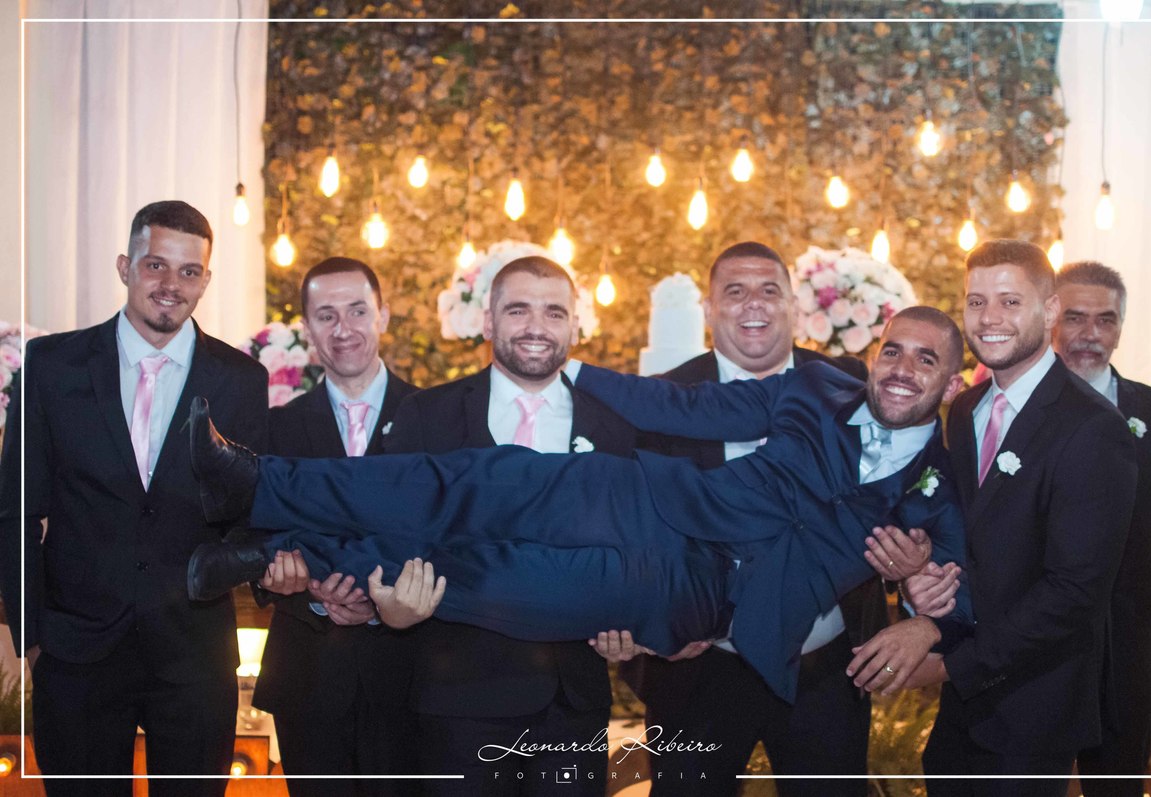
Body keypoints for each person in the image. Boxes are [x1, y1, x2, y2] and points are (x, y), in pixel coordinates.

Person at [187, 305, 973, 709]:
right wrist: (580, 372)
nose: (903, 368)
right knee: (472, 479)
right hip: (647, 499)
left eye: (926, 359)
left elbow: (967, 597)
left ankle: (270, 553)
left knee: (485, 578)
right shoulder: (818, 384)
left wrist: (928, 614)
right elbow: (690, 409)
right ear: (873, 353)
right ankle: (258, 483)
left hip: (694, 595)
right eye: (893, 349)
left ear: (951, 381)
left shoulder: (938, 486)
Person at [0, 201, 268, 795]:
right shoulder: (52, 366)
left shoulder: (242, 379)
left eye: (189, 271)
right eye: (155, 265)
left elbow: (250, 516)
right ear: (125, 267)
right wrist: (32, 638)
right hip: (75, 655)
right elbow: (16, 510)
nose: (171, 284)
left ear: (205, 280)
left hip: (195, 657)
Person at [849, 240, 1137, 793]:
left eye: (1009, 301)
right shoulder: (964, 409)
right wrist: (918, 575)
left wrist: (947, 662)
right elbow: (964, 539)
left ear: (1049, 311)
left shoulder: (1094, 429)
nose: (989, 319)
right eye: (976, 302)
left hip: (1034, 711)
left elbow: (1074, 594)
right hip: (963, 714)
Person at [616, 241, 886, 795]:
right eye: (734, 292)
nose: (753, 304)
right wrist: (654, 622)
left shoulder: (849, 387)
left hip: (826, 664)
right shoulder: (661, 398)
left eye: (769, 290)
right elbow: (633, 527)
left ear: (793, 305)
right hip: (698, 666)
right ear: (710, 310)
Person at [380, 256, 638, 795]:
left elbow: (636, 549)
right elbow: (390, 532)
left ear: (575, 327)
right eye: (518, 310)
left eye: (554, 312)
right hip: (458, 699)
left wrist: (634, 625)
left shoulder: (616, 427)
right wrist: (391, 604)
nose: (536, 326)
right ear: (488, 321)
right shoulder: (427, 416)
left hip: (572, 704)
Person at [250, 257, 419, 794]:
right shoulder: (275, 429)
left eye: (357, 311)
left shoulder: (435, 419)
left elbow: (453, 538)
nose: (343, 329)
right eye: (326, 315)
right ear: (307, 328)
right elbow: (256, 537)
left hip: (412, 679)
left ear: (383, 316)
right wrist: (310, 589)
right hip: (309, 676)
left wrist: (383, 602)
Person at [1050, 260, 1151, 795]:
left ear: (1120, 328)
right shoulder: (1003, 409)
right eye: (1075, 317)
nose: (1090, 333)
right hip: (1025, 662)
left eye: (1105, 320)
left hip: (1123, 659)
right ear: (1049, 320)